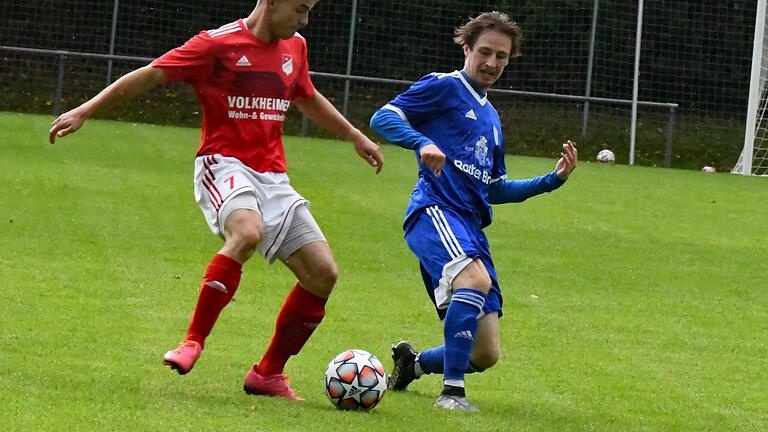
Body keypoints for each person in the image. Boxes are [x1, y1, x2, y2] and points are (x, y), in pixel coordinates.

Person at [49, 0, 384, 401]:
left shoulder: (295, 46)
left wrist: (354, 135)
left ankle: (267, 374)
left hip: (273, 177)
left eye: (309, 10)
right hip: (223, 164)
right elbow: (151, 75)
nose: (304, 20)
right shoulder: (216, 45)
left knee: (323, 274)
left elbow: (306, 96)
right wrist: (85, 110)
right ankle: (192, 341)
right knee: (246, 231)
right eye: (299, 9)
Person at [369, 11, 577, 412]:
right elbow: (384, 116)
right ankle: (452, 394)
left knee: (485, 353)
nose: (491, 63)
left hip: (470, 227)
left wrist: (552, 180)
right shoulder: (445, 87)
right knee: (475, 280)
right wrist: (420, 143)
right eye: (484, 52)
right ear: (467, 47)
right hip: (434, 212)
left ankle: (413, 364)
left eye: (501, 56)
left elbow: (494, 188)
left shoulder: (492, 118)